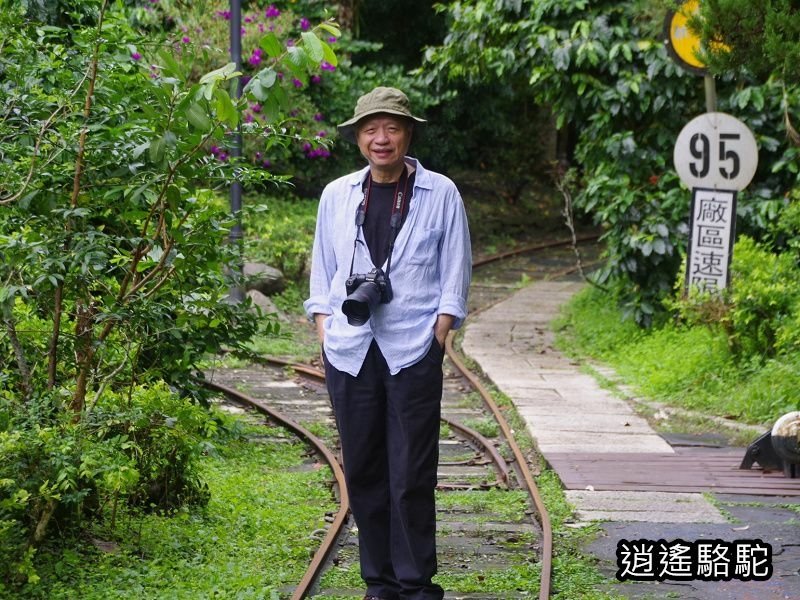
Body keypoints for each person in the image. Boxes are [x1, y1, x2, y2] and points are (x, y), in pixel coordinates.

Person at [303, 86, 472, 600]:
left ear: (408, 134)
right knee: (364, 468)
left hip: (412, 348)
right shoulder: (336, 195)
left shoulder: (440, 193)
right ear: (358, 137)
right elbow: (323, 272)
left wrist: (441, 331)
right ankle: (378, 582)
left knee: (412, 472)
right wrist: (324, 327)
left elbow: (455, 270)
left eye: (392, 127)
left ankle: (416, 583)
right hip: (350, 351)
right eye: (372, 129)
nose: (382, 139)